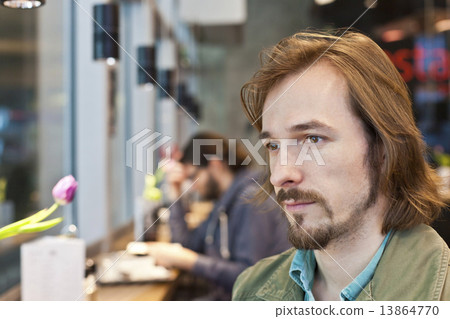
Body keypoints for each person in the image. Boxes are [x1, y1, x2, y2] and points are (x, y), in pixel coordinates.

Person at [232, 30, 450, 301]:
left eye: (312, 139)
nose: (280, 174)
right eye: (273, 146)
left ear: (384, 149)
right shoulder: (250, 289)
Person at [146, 132, 290, 300]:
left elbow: (251, 278)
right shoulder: (224, 203)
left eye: (193, 177)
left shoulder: (251, 200)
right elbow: (187, 243)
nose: (192, 187)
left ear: (214, 165)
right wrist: (175, 193)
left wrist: (190, 261)